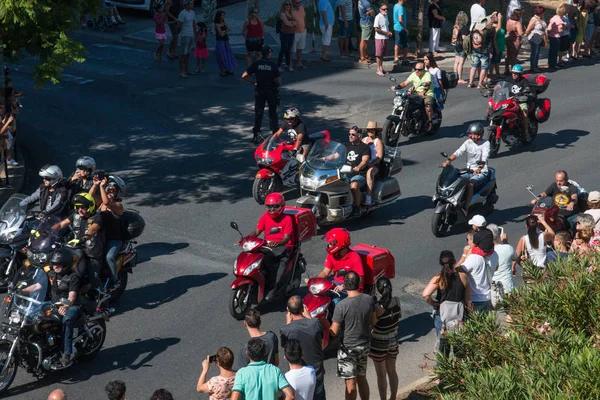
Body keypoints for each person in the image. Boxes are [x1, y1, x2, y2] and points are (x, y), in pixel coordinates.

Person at [330, 271, 376, 400]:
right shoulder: (368, 299)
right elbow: (374, 321)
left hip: (348, 349)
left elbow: (333, 331)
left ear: (344, 284)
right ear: (359, 283)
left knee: (350, 383)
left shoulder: (341, 306)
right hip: (364, 345)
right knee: (362, 378)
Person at [244, 192, 294, 299]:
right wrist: (247, 238)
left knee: (279, 268)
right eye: (269, 206)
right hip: (267, 246)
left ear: (281, 206)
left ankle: (273, 287)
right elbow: (257, 231)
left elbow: (286, 239)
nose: (271, 209)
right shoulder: (265, 217)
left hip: (283, 248)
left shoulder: (287, 219)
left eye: (275, 207)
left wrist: (277, 243)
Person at [52, 193, 104, 291]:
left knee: (93, 279)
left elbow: (93, 229)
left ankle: (102, 300)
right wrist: (49, 231)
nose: (79, 209)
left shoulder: (97, 217)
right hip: (76, 250)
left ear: (90, 206)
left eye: (83, 207)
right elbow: (61, 224)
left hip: (91, 254)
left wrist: (85, 238)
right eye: (78, 207)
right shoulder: (75, 216)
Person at [422, 250, 471, 354]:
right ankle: (458, 369)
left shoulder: (439, 278)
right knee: (459, 349)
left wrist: (434, 303)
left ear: (441, 263)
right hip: (459, 317)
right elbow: (468, 300)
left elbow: (426, 294)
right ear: (454, 261)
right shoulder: (462, 276)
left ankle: (443, 368)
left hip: (443, 317)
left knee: (443, 349)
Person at [280, 296, 326, 400]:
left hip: (297, 374)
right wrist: (310, 317)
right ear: (303, 308)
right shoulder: (315, 323)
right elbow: (321, 341)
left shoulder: (285, 329)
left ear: (288, 310)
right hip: (316, 371)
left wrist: (288, 323)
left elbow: (286, 348)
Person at [442, 123, 490, 215]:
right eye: (471, 134)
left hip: (481, 172)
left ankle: (466, 207)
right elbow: (458, 152)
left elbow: (485, 156)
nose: (472, 136)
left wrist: (479, 168)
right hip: (468, 170)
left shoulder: (485, 144)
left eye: (474, 134)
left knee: (470, 184)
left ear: (480, 134)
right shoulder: (468, 142)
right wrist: (448, 161)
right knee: (455, 178)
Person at [369, 277, 402, 400]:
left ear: (377, 290)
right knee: (392, 371)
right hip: (393, 338)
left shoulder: (377, 307)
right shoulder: (397, 301)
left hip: (379, 341)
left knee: (381, 375)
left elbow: (372, 323)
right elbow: (399, 316)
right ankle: (393, 398)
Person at [89, 175, 125, 286]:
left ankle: (115, 279)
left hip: (113, 239)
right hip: (99, 237)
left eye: (113, 190)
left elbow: (107, 202)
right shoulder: (101, 204)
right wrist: (95, 185)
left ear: (117, 193)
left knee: (108, 257)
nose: (110, 192)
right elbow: (89, 198)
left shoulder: (117, 206)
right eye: (108, 189)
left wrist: (102, 186)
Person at [49, 249, 82, 366]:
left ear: (66, 264)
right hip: (55, 304)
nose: (55, 266)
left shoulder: (73, 277)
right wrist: (21, 290)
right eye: (53, 264)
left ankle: (67, 353)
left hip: (72, 305)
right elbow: (38, 285)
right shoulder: (52, 274)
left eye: (58, 264)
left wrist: (66, 305)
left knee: (67, 320)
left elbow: (72, 296)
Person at [308, 227, 366, 294]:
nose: (329, 246)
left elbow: (359, 279)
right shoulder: (332, 255)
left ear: (340, 243)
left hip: (351, 288)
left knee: (335, 301)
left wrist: (344, 286)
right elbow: (325, 272)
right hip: (336, 285)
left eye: (331, 243)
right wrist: (314, 281)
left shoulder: (354, 257)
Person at [242, 45, 281, 144]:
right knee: (273, 113)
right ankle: (275, 135)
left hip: (260, 91)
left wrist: (253, 82)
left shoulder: (257, 64)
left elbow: (244, 75)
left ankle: (256, 135)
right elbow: (278, 81)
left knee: (259, 113)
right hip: (271, 91)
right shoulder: (273, 65)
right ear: (269, 54)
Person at [455, 233, 496, 312]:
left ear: (472, 241)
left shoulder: (473, 258)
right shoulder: (494, 254)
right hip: (488, 297)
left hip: (475, 299)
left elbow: (457, 269)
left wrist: (464, 255)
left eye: (468, 240)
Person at [391, 62, 435, 131]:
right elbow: (405, 83)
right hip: (416, 93)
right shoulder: (414, 74)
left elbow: (427, 84)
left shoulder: (427, 74)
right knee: (405, 102)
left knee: (428, 107)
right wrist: (397, 87)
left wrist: (423, 92)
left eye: (419, 70)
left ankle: (430, 122)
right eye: (416, 69)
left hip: (427, 94)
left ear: (423, 69)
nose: (417, 71)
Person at [505, 64, 532, 143]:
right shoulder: (509, 79)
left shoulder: (524, 81)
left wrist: (525, 91)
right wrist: (493, 89)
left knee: (525, 112)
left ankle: (526, 132)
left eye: (516, 73)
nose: (514, 74)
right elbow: (501, 86)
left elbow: (527, 89)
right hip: (509, 100)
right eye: (513, 72)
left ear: (520, 74)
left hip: (520, 100)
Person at [486, 224, 517, 292]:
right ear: (499, 235)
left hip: (494, 288)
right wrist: (505, 242)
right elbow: (515, 257)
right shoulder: (508, 248)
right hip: (509, 286)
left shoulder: (485, 252)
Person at [468, 14, 495, 89]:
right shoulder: (487, 31)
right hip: (484, 51)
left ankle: (470, 82)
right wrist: (490, 51)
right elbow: (490, 43)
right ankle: (480, 84)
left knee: (473, 67)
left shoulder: (474, 29)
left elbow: (470, 38)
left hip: (475, 50)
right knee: (484, 68)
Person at [361, 121, 384, 206]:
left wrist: (372, 163)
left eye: (372, 130)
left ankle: (368, 197)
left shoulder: (378, 141)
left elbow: (380, 156)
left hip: (375, 164)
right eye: (368, 130)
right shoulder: (364, 140)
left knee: (369, 172)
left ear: (375, 131)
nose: (370, 132)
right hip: (364, 162)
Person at [214, 11, 238, 77]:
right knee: (222, 55)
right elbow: (221, 34)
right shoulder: (216, 24)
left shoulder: (223, 22)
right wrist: (225, 31)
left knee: (228, 54)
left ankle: (228, 69)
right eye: (222, 15)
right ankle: (222, 70)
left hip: (225, 40)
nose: (223, 17)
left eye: (224, 15)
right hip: (220, 41)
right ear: (219, 16)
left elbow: (228, 29)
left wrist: (224, 31)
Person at [177, 0, 196, 78]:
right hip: (185, 35)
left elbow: (194, 24)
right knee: (183, 54)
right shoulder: (182, 13)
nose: (192, 5)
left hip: (191, 35)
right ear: (186, 5)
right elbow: (179, 25)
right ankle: (182, 71)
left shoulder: (192, 12)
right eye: (190, 4)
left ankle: (187, 70)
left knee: (188, 53)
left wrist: (195, 34)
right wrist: (179, 34)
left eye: (192, 3)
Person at [525, 7, 547, 72]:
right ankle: (533, 67)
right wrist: (527, 36)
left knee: (537, 53)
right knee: (534, 52)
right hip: (534, 38)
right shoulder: (534, 19)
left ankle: (536, 66)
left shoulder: (542, 18)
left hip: (540, 38)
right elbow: (528, 29)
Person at [547, 4, 568, 70]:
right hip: (556, 37)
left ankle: (550, 63)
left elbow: (549, 27)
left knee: (551, 51)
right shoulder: (560, 21)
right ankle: (553, 64)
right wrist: (564, 27)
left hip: (551, 36)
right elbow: (560, 31)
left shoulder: (554, 17)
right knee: (555, 51)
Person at [374, 4, 392, 76]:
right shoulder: (378, 17)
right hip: (379, 38)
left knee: (382, 55)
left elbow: (386, 26)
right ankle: (378, 69)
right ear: (380, 9)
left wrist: (389, 33)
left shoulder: (386, 16)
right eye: (384, 9)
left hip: (385, 38)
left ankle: (381, 68)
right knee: (379, 55)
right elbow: (376, 29)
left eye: (387, 9)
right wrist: (386, 33)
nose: (386, 10)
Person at [452, 11, 470, 83]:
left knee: (456, 62)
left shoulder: (455, 26)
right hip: (462, 46)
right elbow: (464, 37)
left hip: (456, 45)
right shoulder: (464, 28)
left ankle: (455, 77)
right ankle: (459, 78)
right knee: (461, 63)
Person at [278, 1, 297, 72]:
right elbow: (287, 23)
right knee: (283, 49)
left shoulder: (291, 13)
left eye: (289, 4)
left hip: (291, 33)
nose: (288, 6)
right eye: (286, 4)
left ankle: (288, 65)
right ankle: (278, 65)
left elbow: (296, 22)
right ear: (284, 6)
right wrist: (292, 23)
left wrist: (291, 23)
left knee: (288, 50)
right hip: (284, 34)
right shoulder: (282, 14)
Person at [505, 9, 524, 75]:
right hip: (515, 40)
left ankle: (506, 69)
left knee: (508, 54)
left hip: (508, 38)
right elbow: (520, 33)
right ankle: (513, 69)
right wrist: (524, 31)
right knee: (513, 56)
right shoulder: (517, 23)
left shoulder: (509, 20)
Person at [291, 0, 307, 68]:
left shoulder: (302, 8)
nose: (299, 4)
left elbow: (304, 17)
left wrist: (305, 26)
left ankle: (299, 63)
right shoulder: (290, 10)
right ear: (293, 3)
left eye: (300, 2)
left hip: (302, 31)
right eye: (297, 3)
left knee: (300, 49)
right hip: (294, 32)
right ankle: (290, 64)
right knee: (292, 50)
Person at [393, 0, 410, 65]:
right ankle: (404, 59)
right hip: (401, 28)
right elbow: (400, 20)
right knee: (405, 44)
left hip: (396, 27)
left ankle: (396, 58)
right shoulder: (400, 7)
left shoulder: (395, 5)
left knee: (397, 43)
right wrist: (405, 29)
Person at [490, 12, 505, 77]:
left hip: (500, 46)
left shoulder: (499, 25)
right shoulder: (493, 27)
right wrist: (498, 19)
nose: (498, 16)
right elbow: (498, 29)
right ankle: (491, 74)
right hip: (495, 46)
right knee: (493, 61)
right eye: (496, 16)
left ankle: (497, 73)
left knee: (498, 61)